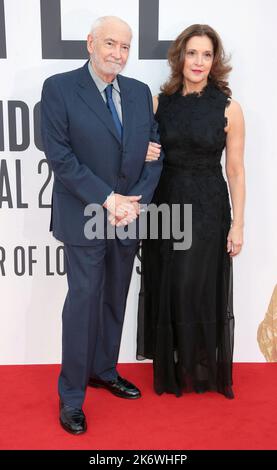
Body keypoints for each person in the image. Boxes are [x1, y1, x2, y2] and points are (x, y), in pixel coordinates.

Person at [41, 16, 163, 434]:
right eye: (110, 43)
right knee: (83, 304)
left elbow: (155, 152)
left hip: (127, 217)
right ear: (90, 43)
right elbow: (61, 158)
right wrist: (109, 200)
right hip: (85, 215)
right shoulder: (59, 88)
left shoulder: (139, 92)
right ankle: (72, 397)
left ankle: (104, 371)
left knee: (114, 297)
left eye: (125, 47)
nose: (118, 53)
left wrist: (136, 203)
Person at [137, 24, 245, 399]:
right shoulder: (157, 103)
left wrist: (238, 224)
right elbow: (138, 152)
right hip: (164, 203)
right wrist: (144, 152)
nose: (198, 61)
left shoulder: (229, 108)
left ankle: (199, 366)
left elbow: (235, 169)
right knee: (167, 281)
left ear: (215, 61)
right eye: (192, 53)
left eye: (207, 54)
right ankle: (170, 366)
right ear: (180, 56)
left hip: (207, 207)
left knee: (197, 284)